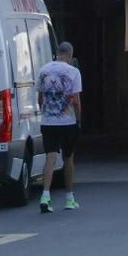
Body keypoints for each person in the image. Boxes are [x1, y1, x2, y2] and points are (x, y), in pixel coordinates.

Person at [35, 41, 83, 213]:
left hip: (48, 122)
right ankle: (69, 198)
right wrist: (79, 120)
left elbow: (40, 99)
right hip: (67, 122)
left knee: (50, 157)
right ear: (70, 55)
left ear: (57, 53)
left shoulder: (43, 70)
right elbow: (76, 100)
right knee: (68, 158)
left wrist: (46, 114)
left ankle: (45, 196)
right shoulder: (73, 72)